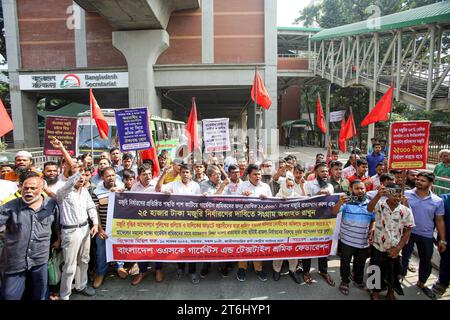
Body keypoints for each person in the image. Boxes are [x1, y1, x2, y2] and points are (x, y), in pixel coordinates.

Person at [0, 171, 60, 300]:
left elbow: (57, 226)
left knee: (39, 295)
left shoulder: (51, 205)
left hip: (40, 260)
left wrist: (59, 239)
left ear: (41, 189)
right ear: (21, 188)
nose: (29, 191)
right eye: (26, 188)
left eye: (33, 188)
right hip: (15, 261)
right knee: (9, 296)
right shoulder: (9, 206)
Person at [50, 138, 98, 300]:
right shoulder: (64, 191)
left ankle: (81, 285)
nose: (82, 178)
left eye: (84, 176)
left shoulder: (84, 191)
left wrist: (96, 223)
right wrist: (63, 148)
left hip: (85, 229)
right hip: (70, 231)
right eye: (78, 176)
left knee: (84, 259)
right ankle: (65, 294)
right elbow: (74, 172)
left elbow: (91, 207)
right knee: (69, 266)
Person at [401, 172, 447, 299]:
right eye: (418, 179)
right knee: (404, 257)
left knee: (426, 260)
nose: (418, 182)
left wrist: (442, 240)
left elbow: (439, 220)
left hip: (426, 235)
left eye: (422, 180)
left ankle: (421, 282)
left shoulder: (437, 201)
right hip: (408, 233)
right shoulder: (407, 194)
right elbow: (401, 213)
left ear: (430, 183)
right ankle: (400, 277)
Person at [367, 184, 414, 300]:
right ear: (387, 193)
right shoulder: (380, 205)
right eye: (394, 194)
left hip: (395, 248)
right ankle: (375, 292)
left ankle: (391, 291)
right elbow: (369, 209)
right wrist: (378, 195)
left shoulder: (406, 211)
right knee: (375, 269)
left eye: (399, 195)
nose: (397, 198)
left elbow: (408, 230)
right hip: (378, 246)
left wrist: (398, 248)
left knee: (394, 271)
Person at [160, 164, 201, 284]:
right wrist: (164, 177)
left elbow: (198, 202)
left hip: (192, 222)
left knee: (191, 247)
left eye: (187, 172)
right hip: (177, 222)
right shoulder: (174, 184)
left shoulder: (196, 186)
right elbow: (158, 189)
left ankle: (192, 272)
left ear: (191, 173)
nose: (185, 174)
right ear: (180, 173)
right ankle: (181, 267)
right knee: (179, 246)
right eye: (183, 172)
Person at [332, 180, 374, 295]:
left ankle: (358, 281)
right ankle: (344, 281)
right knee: (345, 262)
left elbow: (373, 218)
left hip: (363, 241)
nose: (360, 191)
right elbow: (334, 212)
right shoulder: (346, 202)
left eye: (362, 188)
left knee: (359, 263)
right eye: (357, 188)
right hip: (347, 240)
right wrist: (340, 203)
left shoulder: (370, 202)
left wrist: (372, 228)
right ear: (351, 189)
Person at [235, 164, 272, 282]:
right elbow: (234, 203)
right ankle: (242, 268)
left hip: (260, 221)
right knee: (244, 244)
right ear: (249, 176)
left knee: (257, 244)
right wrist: (242, 196)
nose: (258, 176)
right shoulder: (242, 186)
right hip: (245, 221)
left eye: (259, 174)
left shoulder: (265, 186)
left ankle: (258, 268)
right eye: (255, 174)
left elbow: (272, 204)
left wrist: (266, 199)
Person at [91, 167, 125, 289]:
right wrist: (100, 229)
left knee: (118, 248)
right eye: (108, 176)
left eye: (113, 175)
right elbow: (95, 212)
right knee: (101, 253)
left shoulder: (122, 188)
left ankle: (120, 267)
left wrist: (120, 191)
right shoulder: (96, 192)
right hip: (103, 228)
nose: (111, 178)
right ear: (102, 178)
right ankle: (101, 273)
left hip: (118, 228)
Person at [130, 164, 164, 285]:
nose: (148, 176)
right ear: (139, 176)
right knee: (141, 246)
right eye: (144, 174)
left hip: (156, 222)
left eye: (149, 173)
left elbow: (165, 193)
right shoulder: (134, 187)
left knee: (156, 246)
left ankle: (158, 269)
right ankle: (142, 271)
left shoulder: (156, 185)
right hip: (140, 223)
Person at [303, 162, 335, 286]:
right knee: (308, 246)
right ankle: (306, 271)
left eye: (326, 171)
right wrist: (318, 194)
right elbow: (305, 202)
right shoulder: (308, 185)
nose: (325, 174)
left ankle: (323, 271)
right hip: (310, 221)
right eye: (322, 171)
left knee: (323, 246)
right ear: (316, 173)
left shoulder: (330, 186)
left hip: (324, 221)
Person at [199, 165, 230, 278]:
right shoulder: (203, 185)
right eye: (215, 174)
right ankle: (206, 266)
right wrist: (222, 186)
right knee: (208, 244)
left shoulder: (226, 185)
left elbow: (231, 200)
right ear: (209, 176)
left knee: (223, 243)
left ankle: (223, 266)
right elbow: (211, 202)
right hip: (209, 221)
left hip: (223, 220)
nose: (218, 176)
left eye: (219, 174)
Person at [272, 173, 302, 284]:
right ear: (283, 185)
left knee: (293, 249)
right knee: (279, 249)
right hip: (279, 229)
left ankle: (292, 270)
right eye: (288, 186)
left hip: (293, 228)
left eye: (291, 186)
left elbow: (309, 201)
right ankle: (276, 270)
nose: (289, 188)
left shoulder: (297, 196)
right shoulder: (276, 197)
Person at [432, 193, 450, 297]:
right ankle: (443, 283)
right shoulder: (444, 199)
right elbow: (437, 218)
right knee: (446, 261)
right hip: (446, 239)